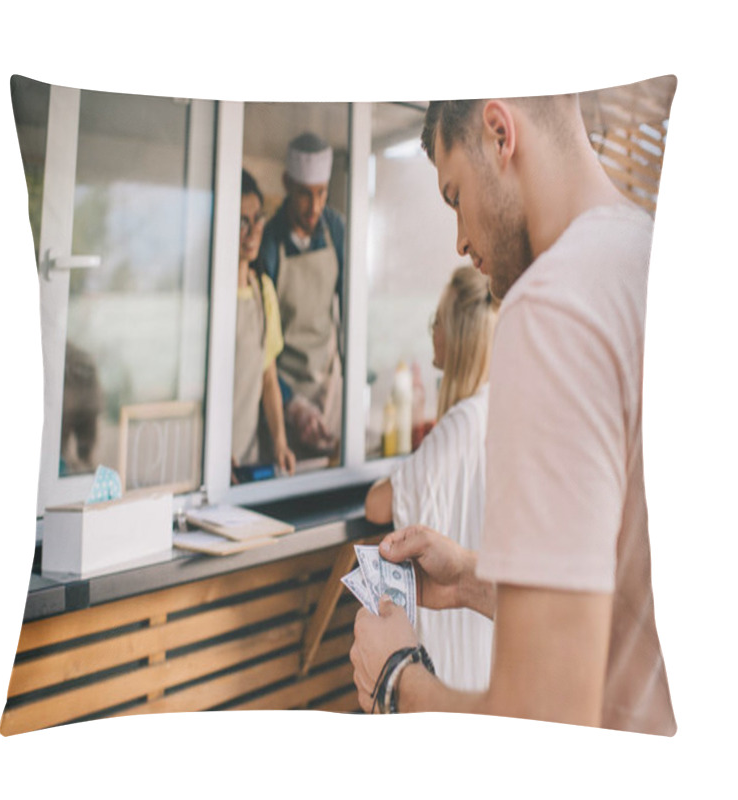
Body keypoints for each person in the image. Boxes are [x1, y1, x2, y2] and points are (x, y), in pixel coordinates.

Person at [350, 93, 677, 735]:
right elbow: (632, 612)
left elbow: (541, 723)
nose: (461, 239)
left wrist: (396, 678)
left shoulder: (551, 308)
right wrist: (471, 578)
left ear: (501, 134)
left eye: (454, 196)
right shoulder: (650, 264)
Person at [364, 265, 498, 691]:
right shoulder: (500, 405)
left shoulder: (462, 422)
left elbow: (379, 503)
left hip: (454, 664)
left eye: (436, 321)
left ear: (456, 333)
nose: (431, 332)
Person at [257, 132, 346, 459]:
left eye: (322, 194)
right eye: (305, 195)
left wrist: (341, 386)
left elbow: (349, 317)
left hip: (327, 389)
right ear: (286, 184)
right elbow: (260, 346)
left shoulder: (335, 229)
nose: (315, 207)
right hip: (281, 397)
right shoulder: (268, 242)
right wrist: (292, 405)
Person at [231, 169, 295, 481]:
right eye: (243, 221)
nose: (254, 230)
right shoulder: (213, 298)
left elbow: (268, 376)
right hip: (212, 459)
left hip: (246, 459)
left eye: (258, 218)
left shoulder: (263, 291)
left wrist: (281, 443)